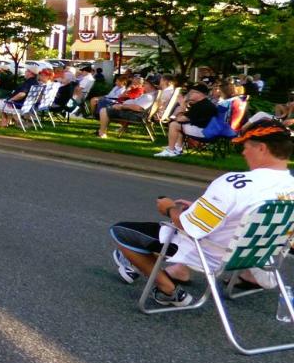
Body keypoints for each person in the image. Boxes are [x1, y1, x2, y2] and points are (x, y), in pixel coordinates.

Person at [111, 119, 294, 305]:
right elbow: (250, 215)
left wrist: (169, 208)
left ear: (262, 148)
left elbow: (190, 227)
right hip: (256, 256)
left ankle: (169, 290)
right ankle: (174, 272)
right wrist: (201, 208)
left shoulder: (234, 182)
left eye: (245, 147)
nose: (244, 153)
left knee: (121, 232)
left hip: (210, 256)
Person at [155, 83, 218, 157]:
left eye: (191, 92)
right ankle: (178, 148)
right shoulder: (204, 103)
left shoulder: (202, 106)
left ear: (199, 94)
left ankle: (170, 150)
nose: (189, 94)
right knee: (180, 125)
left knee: (174, 125)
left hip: (205, 133)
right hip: (208, 130)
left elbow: (180, 119)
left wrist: (182, 105)